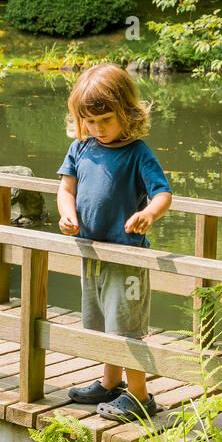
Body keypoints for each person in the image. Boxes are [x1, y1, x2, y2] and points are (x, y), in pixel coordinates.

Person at [56, 63, 173, 423]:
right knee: (105, 322)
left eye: (105, 120)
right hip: (92, 253)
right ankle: (110, 383)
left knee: (127, 327)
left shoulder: (137, 153)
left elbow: (163, 194)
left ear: (127, 113)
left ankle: (140, 397)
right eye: (89, 121)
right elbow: (65, 188)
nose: (97, 129)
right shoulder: (81, 148)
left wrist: (149, 214)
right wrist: (67, 214)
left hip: (126, 256)